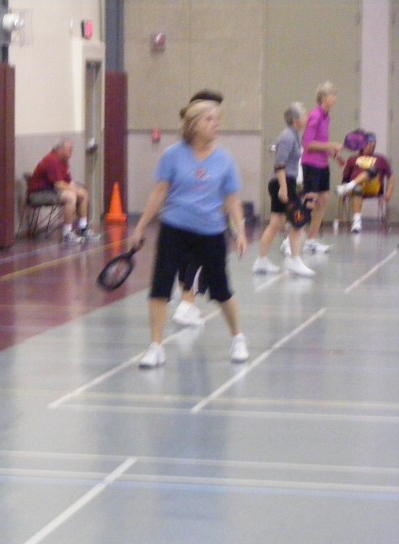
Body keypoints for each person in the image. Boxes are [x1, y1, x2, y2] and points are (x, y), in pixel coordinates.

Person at [129, 100, 249, 368]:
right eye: (210, 119)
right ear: (194, 125)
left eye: (217, 119)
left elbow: (232, 199)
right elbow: (159, 193)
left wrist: (240, 231)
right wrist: (140, 226)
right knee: (160, 287)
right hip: (174, 229)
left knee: (221, 290)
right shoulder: (172, 155)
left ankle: (237, 337)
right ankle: (156, 347)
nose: (216, 124)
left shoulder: (225, 160)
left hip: (211, 233)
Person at [171, 89, 225, 327]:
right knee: (198, 258)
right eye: (210, 116)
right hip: (194, 215)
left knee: (190, 258)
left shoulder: (194, 146)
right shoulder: (193, 149)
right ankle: (186, 304)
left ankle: (186, 301)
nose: (216, 121)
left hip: (188, 213)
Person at [252, 102, 316, 277]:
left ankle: (261, 261)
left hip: (287, 181)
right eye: (304, 115)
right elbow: (279, 164)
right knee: (298, 220)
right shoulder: (287, 137)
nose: (307, 118)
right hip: (282, 182)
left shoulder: (295, 135)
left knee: (276, 223)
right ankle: (295, 260)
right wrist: (283, 188)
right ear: (295, 119)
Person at [299, 81, 345, 254]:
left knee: (323, 200)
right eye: (332, 95)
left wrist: (336, 156)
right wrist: (331, 145)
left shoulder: (327, 117)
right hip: (311, 164)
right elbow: (308, 144)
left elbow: (322, 143)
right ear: (324, 98)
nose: (335, 98)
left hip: (323, 164)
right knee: (309, 203)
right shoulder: (315, 116)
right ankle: (290, 239)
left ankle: (311, 240)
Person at [27, 138, 99, 244]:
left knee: (83, 193)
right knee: (70, 197)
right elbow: (59, 184)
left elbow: (68, 182)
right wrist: (76, 190)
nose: (71, 152)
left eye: (72, 149)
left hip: (51, 191)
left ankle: (83, 228)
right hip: (38, 194)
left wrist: (79, 190)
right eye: (69, 149)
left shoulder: (64, 161)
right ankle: (67, 233)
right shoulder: (52, 160)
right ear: (60, 150)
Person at [336, 132, 393, 233]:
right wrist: (344, 188)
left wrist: (389, 191)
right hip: (356, 189)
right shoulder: (352, 159)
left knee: (372, 171)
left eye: (374, 144)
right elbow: (345, 177)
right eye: (369, 144)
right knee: (358, 188)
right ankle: (357, 222)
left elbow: (391, 176)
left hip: (373, 187)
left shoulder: (381, 159)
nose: (372, 146)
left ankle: (350, 186)